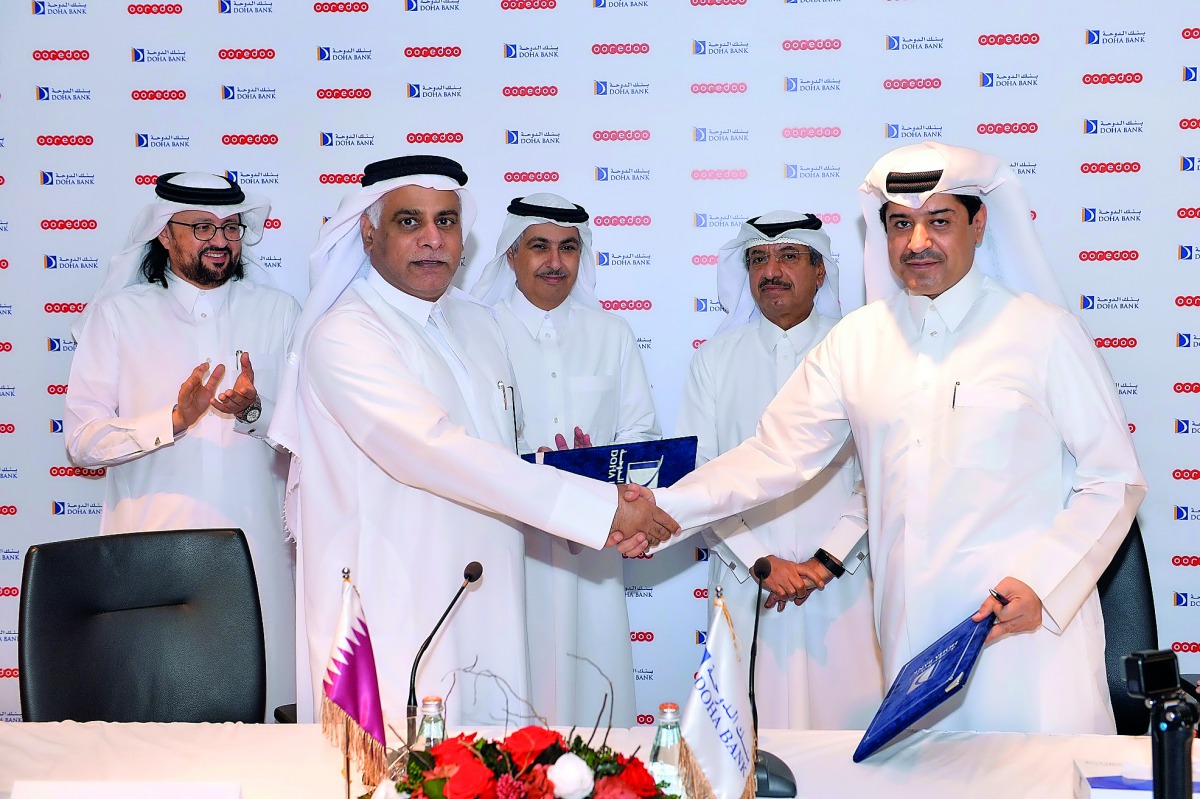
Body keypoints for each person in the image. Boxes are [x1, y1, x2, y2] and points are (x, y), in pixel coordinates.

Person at [647, 142, 1145, 734]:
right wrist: (662, 508)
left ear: (978, 223)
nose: (917, 242)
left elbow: (1112, 479)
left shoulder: (1043, 332)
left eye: (939, 221)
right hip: (908, 641)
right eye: (901, 224)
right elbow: (774, 454)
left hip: (1021, 634)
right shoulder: (858, 341)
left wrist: (1044, 581)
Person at [267, 156, 675, 726]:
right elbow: (434, 450)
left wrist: (595, 493)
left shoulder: (477, 325)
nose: (433, 240)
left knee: (498, 765)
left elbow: (497, 455)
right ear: (368, 230)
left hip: (491, 595)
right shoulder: (346, 334)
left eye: (448, 222)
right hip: (397, 605)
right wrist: (595, 509)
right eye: (410, 222)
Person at [64, 171, 300, 717]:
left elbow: (311, 432)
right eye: (201, 227)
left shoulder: (280, 312)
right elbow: (81, 441)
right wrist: (170, 421)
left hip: (260, 555)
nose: (220, 240)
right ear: (164, 234)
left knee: (266, 725)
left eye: (231, 227)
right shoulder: (118, 316)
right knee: (155, 717)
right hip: (150, 556)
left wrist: (255, 414)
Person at [674, 211, 883, 729]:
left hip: (845, 579)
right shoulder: (715, 359)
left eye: (789, 256)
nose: (772, 270)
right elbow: (698, 478)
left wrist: (827, 559)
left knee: (847, 736)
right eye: (759, 259)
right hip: (747, 580)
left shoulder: (862, 350)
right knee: (745, 738)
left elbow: (881, 469)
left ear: (819, 271)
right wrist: (760, 560)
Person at [471, 193, 660, 727]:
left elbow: (643, 435)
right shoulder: (477, 331)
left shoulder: (612, 334)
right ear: (511, 254)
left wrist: (596, 469)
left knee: (593, 684)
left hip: (592, 546)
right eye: (539, 247)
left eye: (568, 248)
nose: (555, 262)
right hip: (509, 542)